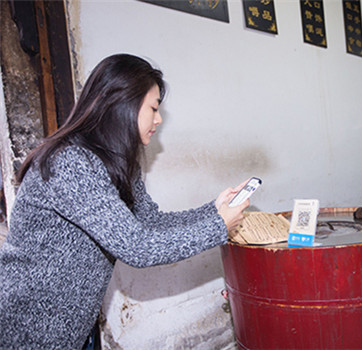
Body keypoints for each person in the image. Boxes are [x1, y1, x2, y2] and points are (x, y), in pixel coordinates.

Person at [0, 54, 250, 348]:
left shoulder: (116, 164)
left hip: (76, 324)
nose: (158, 120)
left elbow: (150, 222)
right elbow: (137, 246)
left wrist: (213, 210)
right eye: (154, 108)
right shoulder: (69, 162)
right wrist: (218, 227)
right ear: (123, 104)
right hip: (29, 325)